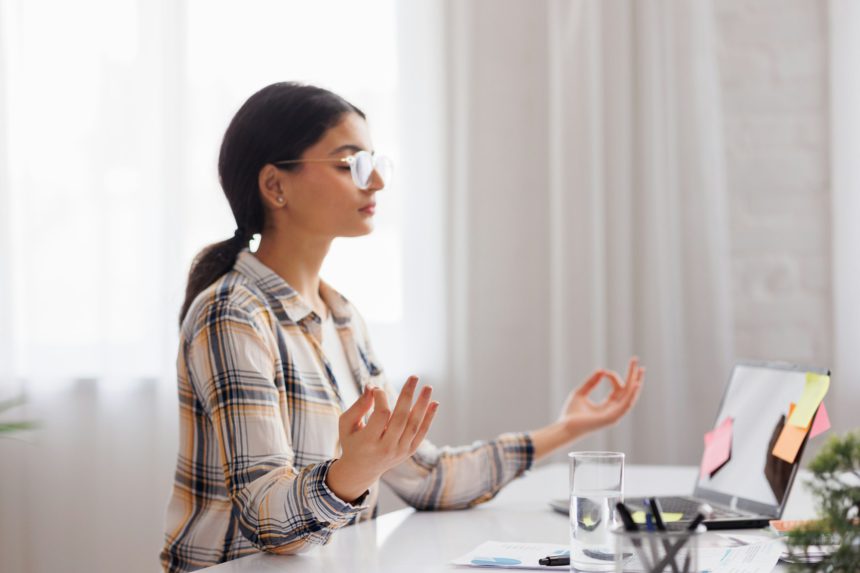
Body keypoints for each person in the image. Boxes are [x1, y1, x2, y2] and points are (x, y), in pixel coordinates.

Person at [160, 82, 644, 573]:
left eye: (375, 163)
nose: (376, 183)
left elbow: (428, 479)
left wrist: (566, 429)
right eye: (351, 164)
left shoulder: (342, 317)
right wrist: (352, 471)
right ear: (275, 185)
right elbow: (267, 521)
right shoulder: (231, 314)